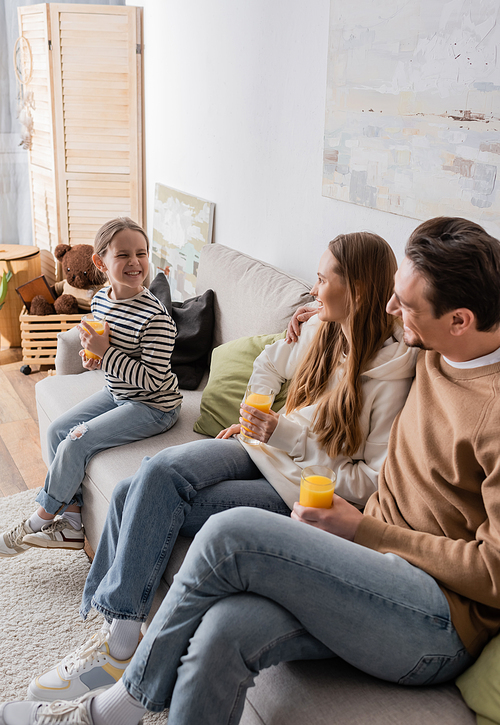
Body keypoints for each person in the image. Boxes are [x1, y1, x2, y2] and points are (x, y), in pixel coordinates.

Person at [3, 216, 500, 725]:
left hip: (434, 613)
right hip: (367, 552)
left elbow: (494, 570)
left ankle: (105, 710)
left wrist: (363, 526)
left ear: (459, 319)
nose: (393, 311)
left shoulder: (465, 390)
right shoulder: (432, 350)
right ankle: (115, 662)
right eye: (391, 297)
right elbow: (369, 323)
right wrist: (325, 312)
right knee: (222, 625)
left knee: (229, 532)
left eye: (406, 305)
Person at [0, 217, 182, 557]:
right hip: (117, 392)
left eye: (141, 253)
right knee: (57, 431)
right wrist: (93, 359)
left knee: (75, 441)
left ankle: (37, 521)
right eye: (123, 254)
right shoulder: (100, 300)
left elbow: (154, 380)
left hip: (154, 406)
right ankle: (71, 523)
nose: (135, 262)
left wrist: (106, 354)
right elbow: (100, 355)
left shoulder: (156, 318)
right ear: (100, 262)